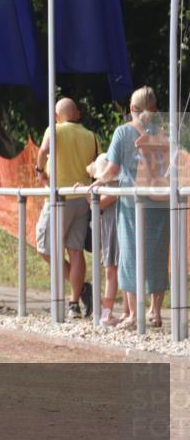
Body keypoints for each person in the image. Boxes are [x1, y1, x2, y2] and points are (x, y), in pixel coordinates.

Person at [90, 87, 170, 329]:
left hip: (132, 203)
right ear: (155, 109)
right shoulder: (163, 134)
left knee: (130, 255)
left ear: (132, 109)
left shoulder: (123, 132)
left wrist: (98, 179)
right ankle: (155, 313)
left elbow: (112, 170)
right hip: (160, 200)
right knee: (157, 255)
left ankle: (134, 314)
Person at [34, 98, 98, 318]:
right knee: (75, 249)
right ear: (77, 114)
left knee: (44, 247)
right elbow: (96, 166)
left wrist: (38, 170)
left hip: (60, 197)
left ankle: (79, 289)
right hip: (82, 197)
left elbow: (42, 152)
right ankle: (74, 303)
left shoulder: (53, 130)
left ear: (56, 115)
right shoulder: (91, 136)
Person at [84, 154, 120, 326]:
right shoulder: (109, 186)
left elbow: (97, 204)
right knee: (111, 271)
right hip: (108, 229)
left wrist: (88, 192)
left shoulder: (114, 187)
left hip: (114, 229)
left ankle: (110, 312)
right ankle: (107, 312)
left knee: (113, 271)